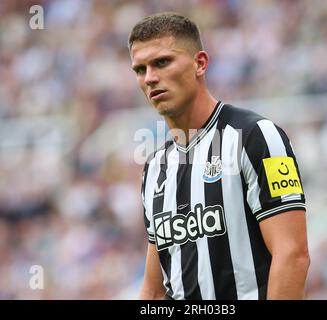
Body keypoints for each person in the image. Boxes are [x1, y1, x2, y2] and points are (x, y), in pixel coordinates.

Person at [129, 12, 310, 300]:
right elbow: (153, 288)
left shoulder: (257, 137)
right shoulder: (154, 168)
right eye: (140, 69)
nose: (150, 78)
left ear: (199, 63)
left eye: (162, 62)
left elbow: (293, 255)